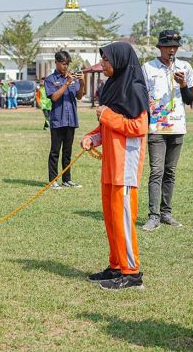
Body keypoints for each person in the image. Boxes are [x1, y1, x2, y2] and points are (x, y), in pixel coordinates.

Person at [81, 42, 148, 290]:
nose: (103, 65)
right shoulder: (112, 86)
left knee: (124, 220)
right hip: (110, 165)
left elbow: (138, 128)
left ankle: (132, 273)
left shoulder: (136, 89)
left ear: (119, 60)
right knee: (111, 219)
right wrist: (92, 137)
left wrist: (107, 115)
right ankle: (116, 266)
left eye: (106, 60)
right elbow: (106, 125)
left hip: (125, 167)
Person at [141, 30, 193, 231]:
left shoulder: (185, 67)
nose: (171, 50)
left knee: (170, 172)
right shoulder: (148, 68)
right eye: (167, 46)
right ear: (160, 48)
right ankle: (153, 216)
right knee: (157, 171)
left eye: (174, 46)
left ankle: (166, 213)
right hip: (156, 128)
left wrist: (183, 84)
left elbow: (190, 99)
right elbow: (140, 96)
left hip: (177, 126)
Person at [45, 50, 85, 189]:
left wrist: (82, 82)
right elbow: (54, 97)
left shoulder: (72, 78)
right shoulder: (50, 79)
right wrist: (66, 84)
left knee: (67, 152)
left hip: (71, 120)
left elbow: (79, 96)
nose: (65, 67)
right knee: (55, 151)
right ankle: (53, 180)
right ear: (56, 63)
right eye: (63, 64)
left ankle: (67, 179)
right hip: (57, 120)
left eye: (67, 64)